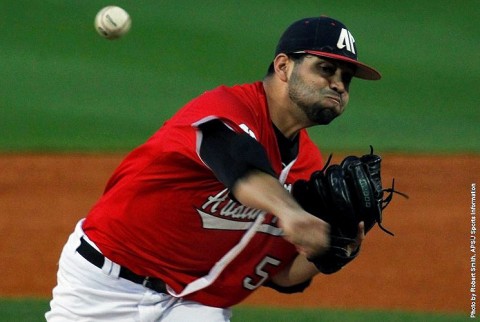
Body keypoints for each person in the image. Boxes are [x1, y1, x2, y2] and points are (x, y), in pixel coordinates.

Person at [46, 15, 381, 321]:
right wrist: (292, 213)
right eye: (325, 69)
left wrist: (329, 252)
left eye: (346, 78)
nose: (338, 84)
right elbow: (238, 164)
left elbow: (279, 275)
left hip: (194, 307)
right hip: (103, 287)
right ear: (283, 66)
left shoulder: (305, 164)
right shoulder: (226, 109)